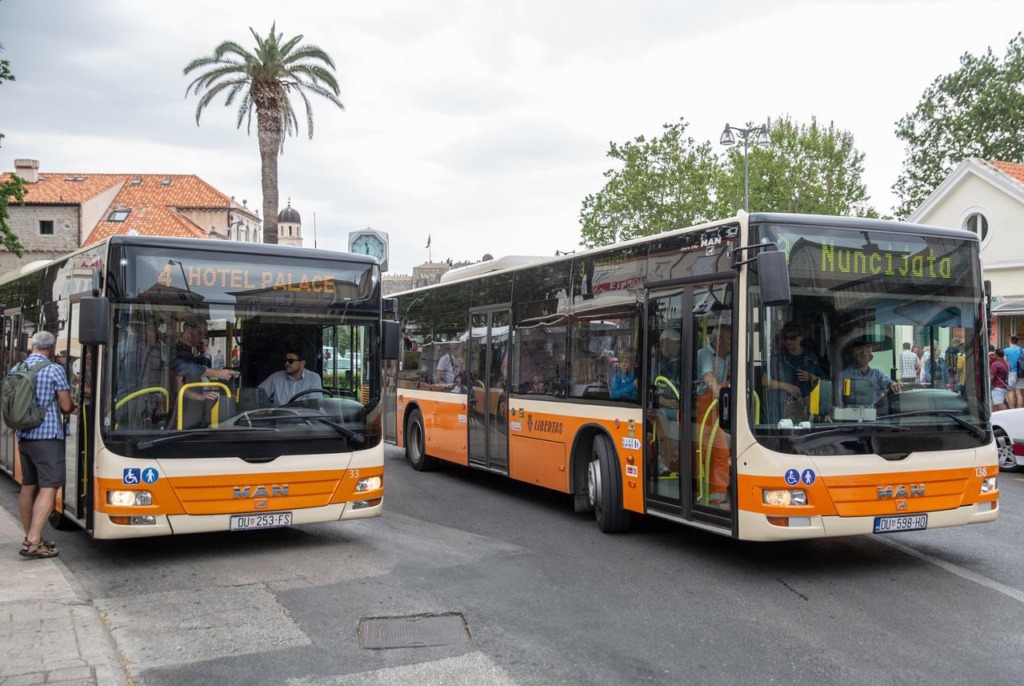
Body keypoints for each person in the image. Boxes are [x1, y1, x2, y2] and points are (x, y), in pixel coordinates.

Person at [14, 331, 77, 559]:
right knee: (50, 487)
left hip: (23, 437)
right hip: (47, 437)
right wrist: (73, 407)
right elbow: (65, 405)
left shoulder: (17, 368)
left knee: (28, 487)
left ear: (33, 347)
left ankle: (34, 536)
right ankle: (32, 541)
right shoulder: (54, 369)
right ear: (50, 350)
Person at [171, 316, 235, 428]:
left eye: (204, 334)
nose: (201, 338)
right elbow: (181, 372)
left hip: (190, 407)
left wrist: (202, 396)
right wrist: (216, 373)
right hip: (185, 410)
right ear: (187, 329)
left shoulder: (188, 351)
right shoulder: (177, 350)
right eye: (200, 333)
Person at [695, 324, 732, 509]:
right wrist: (719, 391)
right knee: (713, 452)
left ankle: (717, 495)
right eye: (728, 340)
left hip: (722, 410)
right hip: (703, 412)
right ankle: (711, 497)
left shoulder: (730, 356)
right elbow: (708, 377)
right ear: (717, 341)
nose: (732, 343)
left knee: (721, 453)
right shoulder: (704, 354)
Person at [763, 322, 824, 421]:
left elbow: (823, 382)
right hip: (780, 409)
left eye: (792, 338)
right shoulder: (777, 357)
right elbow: (765, 381)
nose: (788, 341)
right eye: (785, 338)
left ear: (801, 337)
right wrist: (786, 386)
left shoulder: (811, 357)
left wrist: (810, 377)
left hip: (806, 410)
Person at [258, 348, 323, 406]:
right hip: (281, 418)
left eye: (290, 361)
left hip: (305, 418)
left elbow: (314, 405)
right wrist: (269, 406)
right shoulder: (275, 378)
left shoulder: (313, 378)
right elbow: (257, 395)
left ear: (302, 363)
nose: (286, 363)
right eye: (285, 360)